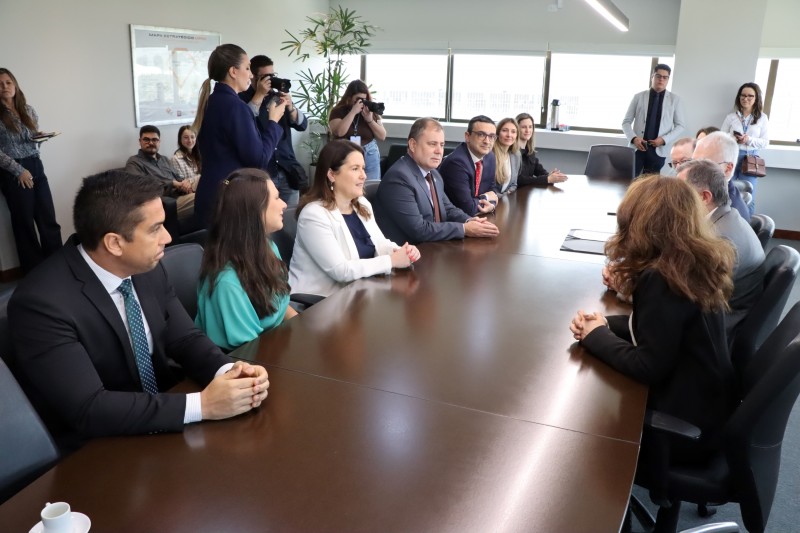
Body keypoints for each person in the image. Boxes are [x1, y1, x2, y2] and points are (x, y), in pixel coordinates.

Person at [8, 170, 269, 452]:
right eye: (155, 229)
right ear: (115, 243)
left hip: (165, 415)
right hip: (101, 447)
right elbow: (89, 408)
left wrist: (229, 372)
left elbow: (185, 339)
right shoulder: (41, 304)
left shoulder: (145, 268)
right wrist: (203, 405)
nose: (168, 238)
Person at [570, 175, 737, 450]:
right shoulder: (688, 260)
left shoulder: (661, 278)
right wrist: (603, 325)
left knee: (581, 416)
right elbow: (660, 329)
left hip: (682, 423)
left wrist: (595, 336)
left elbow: (647, 366)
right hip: (708, 402)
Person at [289, 140, 420, 297]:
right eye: (355, 169)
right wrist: (392, 261)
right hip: (321, 304)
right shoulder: (313, 215)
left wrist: (401, 251)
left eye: (363, 168)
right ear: (332, 175)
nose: (363, 175)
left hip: (358, 295)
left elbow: (379, 243)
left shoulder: (361, 204)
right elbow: (341, 271)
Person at [196, 168, 297, 351]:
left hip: (276, 347)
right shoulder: (227, 283)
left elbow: (282, 307)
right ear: (254, 210)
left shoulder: (268, 247)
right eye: (276, 198)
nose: (283, 204)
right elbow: (248, 354)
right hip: (249, 362)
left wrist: (304, 330)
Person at [192, 44, 286, 227]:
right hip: (228, 198)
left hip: (211, 192)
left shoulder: (214, 100)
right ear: (233, 71)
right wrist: (274, 122)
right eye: (247, 68)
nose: (251, 75)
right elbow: (258, 160)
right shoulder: (235, 106)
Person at [375, 117, 500, 244]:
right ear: (413, 145)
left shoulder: (433, 173)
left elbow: (448, 209)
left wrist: (470, 221)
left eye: (442, 145)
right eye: (432, 144)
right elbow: (419, 230)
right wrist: (464, 229)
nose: (439, 151)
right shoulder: (399, 178)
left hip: (433, 246)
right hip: (409, 253)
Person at [677, 159, 765, 336]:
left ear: (704, 197)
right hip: (714, 317)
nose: (674, 199)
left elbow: (688, 297)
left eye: (681, 193)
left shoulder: (720, 238)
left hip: (713, 335)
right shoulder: (726, 216)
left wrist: (630, 287)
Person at [0, 68, 62, 274]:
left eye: (8, 82)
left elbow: (31, 140)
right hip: (13, 173)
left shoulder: (28, 109)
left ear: (15, 85)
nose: (5, 87)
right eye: (0, 84)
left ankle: (57, 266)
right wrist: (19, 171)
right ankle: (35, 273)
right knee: (25, 223)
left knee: (47, 218)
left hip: (36, 165)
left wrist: (40, 137)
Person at [240, 55, 308, 206]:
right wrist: (259, 95)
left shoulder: (278, 97)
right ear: (253, 77)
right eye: (266, 76)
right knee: (266, 221)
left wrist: (291, 108)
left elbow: (302, 125)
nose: (270, 80)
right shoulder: (242, 100)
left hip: (287, 169)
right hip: (263, 172)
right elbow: (245, 122)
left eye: (272, 75)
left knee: (290, 220)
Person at [622, 64, 686, 176]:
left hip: (658, 150)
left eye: (665, 77)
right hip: (638, 148)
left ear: (668, 80)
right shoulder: (638, 97)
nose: (661, 79)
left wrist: (664, 139)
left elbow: (680, 126)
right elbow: (626, 122)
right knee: (630, 182)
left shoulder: (675, 100)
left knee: (651, 187)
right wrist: (633, 138)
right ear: (652, 77)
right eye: (658, 76)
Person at [126, 125, 195, 221]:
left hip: (180, 194)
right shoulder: (134, 162)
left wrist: (185, 183)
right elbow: (140, 187)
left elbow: (179, 178)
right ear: (140, 141)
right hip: (165, 203)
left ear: (159, 142)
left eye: (154, 140)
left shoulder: (164, 159)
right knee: (203, 196)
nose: (151, 143)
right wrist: (172, 183)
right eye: (146, 140)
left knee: (207, 180)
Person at [721, 82, 769, 215]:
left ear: (756, 98)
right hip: (731, 157)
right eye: (743, 95)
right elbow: (721, 137)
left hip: (750, 158)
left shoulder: (762, 118)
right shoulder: (731, 117)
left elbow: (765, 142)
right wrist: (732, 138)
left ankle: (747, 229)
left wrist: (749, 140)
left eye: (750, 96)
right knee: (726, 193)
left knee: (749, 196)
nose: (745, 98)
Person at [439, 115, 499, 216]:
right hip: (456, 222)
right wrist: (488, 198)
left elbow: (493, 190)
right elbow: (468, 208)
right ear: (467, 136)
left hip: (479, 218)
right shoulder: (456, 163)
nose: (487, 141)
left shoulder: (490, 156)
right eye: (481, 134)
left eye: (492, 136)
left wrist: (491, 205)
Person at [328, 80, 386, 181]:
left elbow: (382, 136)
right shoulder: (338, 111)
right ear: (349, 97)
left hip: (369, 153)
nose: (361, 102)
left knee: (371, 187)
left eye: (364, 99)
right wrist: (353, 112)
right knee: (350, 186)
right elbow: (339, 132)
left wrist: (370, 120)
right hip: (347, 153)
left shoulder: (369, 110)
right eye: (358, 99)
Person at [693, 131, 750, 221]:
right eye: (692, 163)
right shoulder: (711, 193)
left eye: (704, 165)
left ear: (727, 169)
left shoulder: (729, 213)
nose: (693, 171)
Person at [515, 112, 567, 186]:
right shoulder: (513, 152)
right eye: (523, 127)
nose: (527, 130)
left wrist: (550, 175)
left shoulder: (529, 150)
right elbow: (519, 180)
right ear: (516, 129)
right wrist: (547, 179)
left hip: (527, 193)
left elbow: (538, 169)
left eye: (530, 127)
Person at [492, 117, 520, 197]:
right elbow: (486, 187)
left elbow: (514, 183)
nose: (509, 135)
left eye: (513, 132)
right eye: (504, 130)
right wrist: (503, 197)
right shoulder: (490, 154)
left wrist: (507, 195)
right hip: (489, 202)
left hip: (506, 201)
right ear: (497, 133)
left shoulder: (516, 155)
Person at [171, 125, 201, 191]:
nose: (190, 140)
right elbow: (182, 184)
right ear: (180, 139)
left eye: (192, 137)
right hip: (186, 193)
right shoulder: (176, 159)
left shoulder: (200, 154)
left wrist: (191, 181)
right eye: (186, 137)